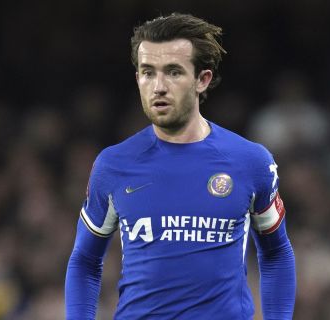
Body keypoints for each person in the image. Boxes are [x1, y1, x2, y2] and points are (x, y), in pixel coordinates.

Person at [65, 13, 296, 319]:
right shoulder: (113, 165)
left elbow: (276, 254)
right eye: (148, 72)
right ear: (137, 79)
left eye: (173, 72)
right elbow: (84, 260)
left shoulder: (250, 161)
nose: (158, 86)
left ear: (203, 80)